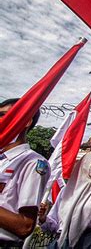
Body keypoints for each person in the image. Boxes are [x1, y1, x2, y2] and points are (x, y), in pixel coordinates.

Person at [38, 150, 91, 248]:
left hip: (90, 242)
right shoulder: (68, 189)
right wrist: (43, 218)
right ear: (87, 163)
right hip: (63, 241)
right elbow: (56, 223)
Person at [0, 98, 50, 248]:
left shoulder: (33, 163)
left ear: (26, 121)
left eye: (4, 115)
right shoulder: (2, 160)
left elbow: (25, 226)